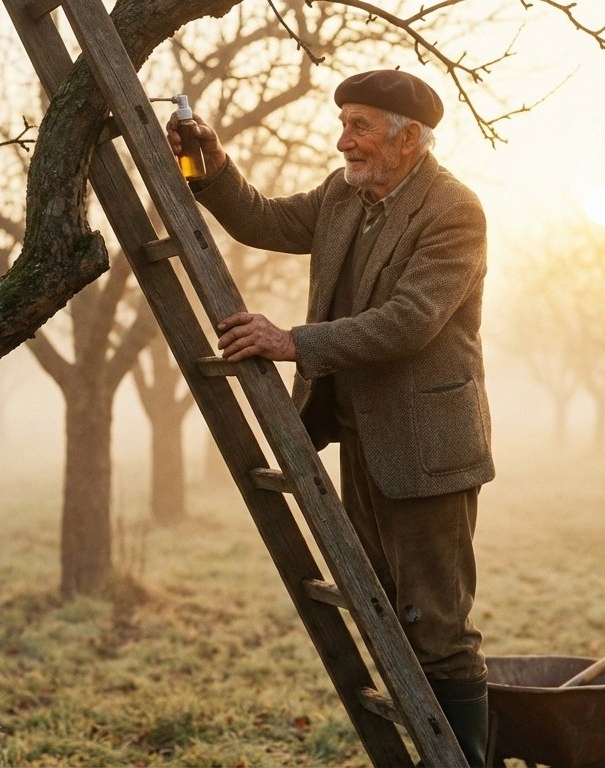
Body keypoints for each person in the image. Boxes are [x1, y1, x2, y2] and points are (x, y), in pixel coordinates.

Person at [166, 69, 494, 765]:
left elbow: (410, 321)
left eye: (359, 125)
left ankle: (465, 759)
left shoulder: (453, 211)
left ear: (407, 141)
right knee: (385, 610)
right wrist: (213, 165)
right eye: (343, 122)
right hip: (362, 440)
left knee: (435, 626)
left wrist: (293, 343)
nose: (342, 139)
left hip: (428, 449)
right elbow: (264, 220)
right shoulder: (345, 195)